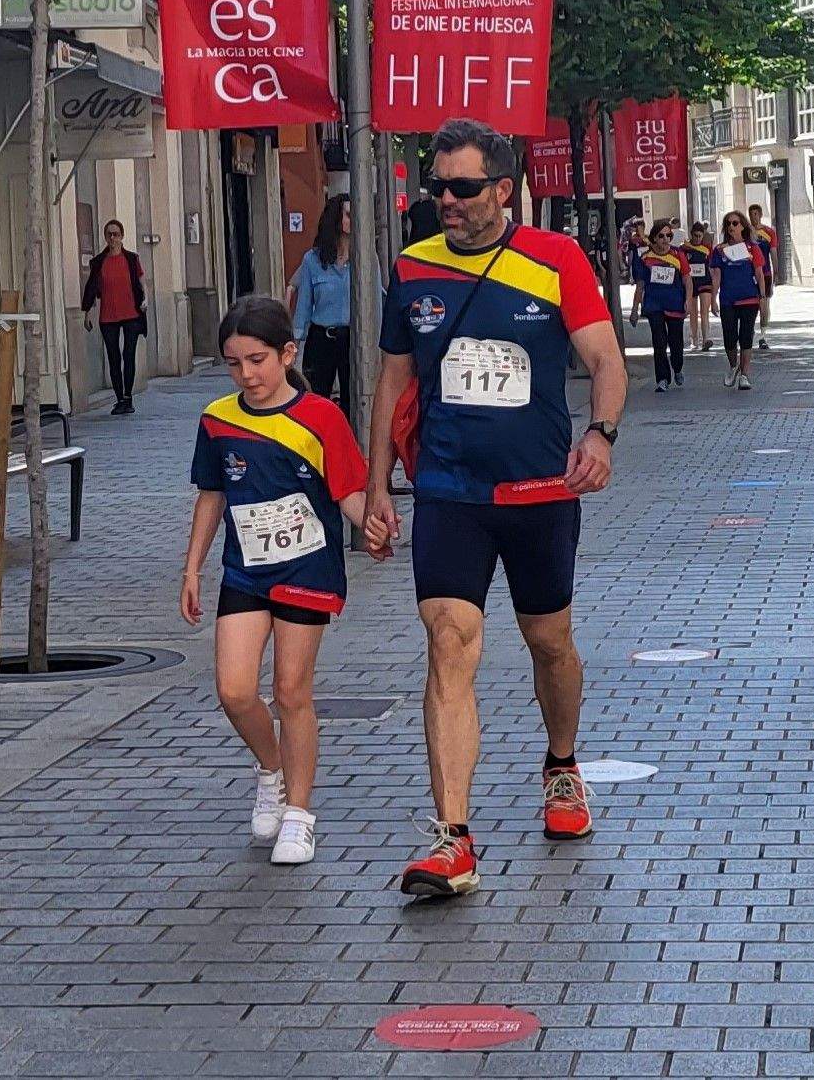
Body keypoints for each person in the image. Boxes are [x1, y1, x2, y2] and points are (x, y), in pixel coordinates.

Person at [363, 117, 628, 899]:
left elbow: (605, 357)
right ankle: (451, 839)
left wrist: (603, 436)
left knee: (550, 643)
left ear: (503, 190)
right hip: (450, 492)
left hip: (541, 493)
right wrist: (377, 485)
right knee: (450, 641)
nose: (447, 199)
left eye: (464, 187)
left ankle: (562, 765)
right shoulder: (411, 271)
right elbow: (391, 382)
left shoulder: (555, 260)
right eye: (439, 185)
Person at [181, 296, 377, 867]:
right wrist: (192, 567)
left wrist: (374, 527)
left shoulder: (321, 418)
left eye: (258, 360)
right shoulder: (218, 419)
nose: (247, 374)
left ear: (288, 354)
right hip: (244, 570)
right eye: (234, 363)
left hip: (307, 569)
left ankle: (299, 814)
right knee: (235, 690)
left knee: (292, 690)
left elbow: (348, 493)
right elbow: (211, 495)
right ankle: (271, 770)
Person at [292, 195, 353, 412]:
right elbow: (304, 307)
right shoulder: (312, 261)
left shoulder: (365, 260)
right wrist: (294, 346)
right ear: (335, 219)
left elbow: (376, 308)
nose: (353, 219)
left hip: (353, 340)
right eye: (347, 214)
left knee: (353, 402)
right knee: (316, 401)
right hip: (321, 339)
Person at [82, 220, 148, 415]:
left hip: (131, 314)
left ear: (122, 236)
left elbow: (142, 282)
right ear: (105, 237)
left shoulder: (131, 259)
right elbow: (92, 289)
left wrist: (146, 300)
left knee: (128, 355)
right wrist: (88, 313)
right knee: (113, 357)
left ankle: (128, 397)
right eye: (109, 234)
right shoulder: (99, 262)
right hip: (108, 316)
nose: (112, 238)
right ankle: (119, 398)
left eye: (116, 234)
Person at [713, 211, 768, 391]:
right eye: (728, 224)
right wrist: (713, 298)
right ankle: (733, 365)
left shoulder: (752, 248)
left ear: (743, 226)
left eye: (735, 223)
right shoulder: (719, 250)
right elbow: (716, 276)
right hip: (728, 299)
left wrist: (762, 297)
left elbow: (759, 274)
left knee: (746, 336)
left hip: (749, 298)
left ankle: (744, 375)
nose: (731, 227)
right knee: (729, 337)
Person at [637, 219, 691, 393]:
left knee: (676, 342)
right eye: (661, 236)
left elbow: (687, 279)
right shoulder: (645, 257)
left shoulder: (678, 255)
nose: (665, 239)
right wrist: (634, 309)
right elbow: (640, 284)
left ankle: (678, 368)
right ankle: (662, 378)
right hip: (654, 305)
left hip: (675, 304)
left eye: (669, 235)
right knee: (659, 342)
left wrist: (688, 300)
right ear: (653, 238)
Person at [748, 203, 778, 350]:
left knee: (764, 304)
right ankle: (750, 330)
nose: (753, 217)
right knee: (752, 305)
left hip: (765, 272)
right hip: (749, 274)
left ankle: (763, 335)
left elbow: (773, 253)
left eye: (755, 214)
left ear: (760, 214)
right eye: (750, 214)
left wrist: (776, 272)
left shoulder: (769, 232)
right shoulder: (746, 232)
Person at [685, 221, 716, 352]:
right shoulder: (684, 248)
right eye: (695, 236)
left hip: (705, 282)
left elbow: (712, 268)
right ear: (691, 235)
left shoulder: (707, 249)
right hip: (691, 283)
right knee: (693, 312)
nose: (698, 239)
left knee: (704, 311)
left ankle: (706, 339)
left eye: (700, 236)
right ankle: (694, 340)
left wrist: (715, 288)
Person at [622, 221, 649, 327]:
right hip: (638, 266)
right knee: (640, 287)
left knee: (645, 287)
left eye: (641, 227)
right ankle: (634, 310)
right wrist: (629, 268)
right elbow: (631, 254)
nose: (639, 230)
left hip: (647, 265)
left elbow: (649, 245)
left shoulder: (648, 238)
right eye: (638, 228)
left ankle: (644, 307)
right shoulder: (633, 240)